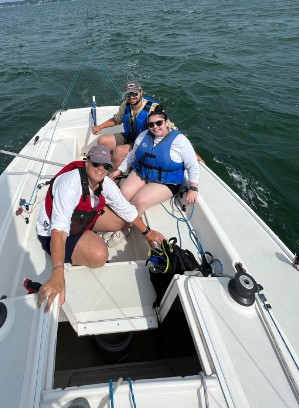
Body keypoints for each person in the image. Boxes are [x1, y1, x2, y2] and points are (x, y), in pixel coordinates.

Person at [36, 144, 167, 312]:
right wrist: (57, 271)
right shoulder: (70, 185)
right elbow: (59, 231)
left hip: (81, 219)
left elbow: (126, 210)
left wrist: (147, 233)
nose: (100, 168)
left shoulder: (105, 183)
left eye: (105, 165)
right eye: (96, 162)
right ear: (86, 162)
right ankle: (84, 245)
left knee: (123, 221)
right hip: (54, 234)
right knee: (99, 255)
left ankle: (86, 238)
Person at [109, 105, 200, 241]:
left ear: (166, 123)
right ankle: (115, 220)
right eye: (151, 124)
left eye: (159, 123)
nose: (155, 127)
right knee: (124, 192)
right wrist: (119, 170)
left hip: (165, 181)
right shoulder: (143, 135)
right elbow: (132, 156)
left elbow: (192, 165)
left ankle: (125, 228)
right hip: (143, 171)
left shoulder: (180, 141)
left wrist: (193, 188)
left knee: (138, 201)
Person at [92, 80, 168, 169]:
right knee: (102, 141)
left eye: (135, 94)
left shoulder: (153, 108)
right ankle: (109, 164)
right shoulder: (125, 105)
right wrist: (99, 127)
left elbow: (166, 125)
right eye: (128, 94)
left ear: (141, 92)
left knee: (119, 151)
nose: (131, 97)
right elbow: (117, 119)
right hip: (130, 137)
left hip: (144, 142)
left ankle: (116, 179)